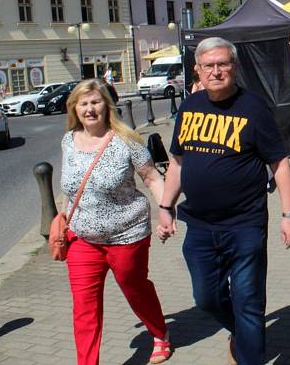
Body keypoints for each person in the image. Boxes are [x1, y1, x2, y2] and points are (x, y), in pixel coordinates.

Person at [157, 37, 290, 364]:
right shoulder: (189, 107)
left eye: (223, 64)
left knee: (249, 300)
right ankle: (244, 332)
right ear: (198, 70)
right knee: (206, 298)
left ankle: (249, 351)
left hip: (245, 224)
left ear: (234, 67)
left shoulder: (254, 107)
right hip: (200, 225)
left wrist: (289, 214)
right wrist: (165, 207)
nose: (217, 71)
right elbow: (177, 162)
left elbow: (279, 163)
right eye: (209, 65)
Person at [61, 79, 171, 365]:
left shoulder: (127, 140)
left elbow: (151, 178)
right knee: (84, 308)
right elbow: (69, 189)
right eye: (83, 103)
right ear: (74, 108)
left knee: (134, 287)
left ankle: (159, 332)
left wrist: (165, 210)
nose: (89, 109)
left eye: (95, 102)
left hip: (127, 234)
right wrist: (64, 218)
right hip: (82, 238)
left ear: (106, 105)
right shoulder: (68, 141)